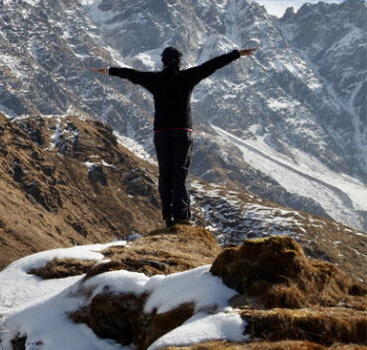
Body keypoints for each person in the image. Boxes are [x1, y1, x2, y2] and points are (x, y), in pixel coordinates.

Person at [90, 45, 257, 227]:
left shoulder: (155, 79)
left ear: (163, 62)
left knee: (165, 174)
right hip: (182, 132)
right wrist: (237, 54)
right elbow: (212, 65)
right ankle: (182, 216)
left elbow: (131, 74)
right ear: (179, 62)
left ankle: (167, 216)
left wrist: (107, 70)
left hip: (161, 132)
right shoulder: (188, 77)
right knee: (181, 173)